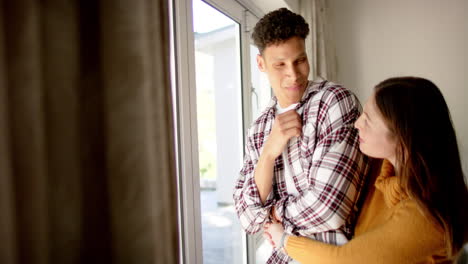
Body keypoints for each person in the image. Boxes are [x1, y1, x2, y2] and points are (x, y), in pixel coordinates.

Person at [264, 76, 468, 263]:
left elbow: (344, 260)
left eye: (368, 120)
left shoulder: (427, 217)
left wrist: (284, 241)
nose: (356, 123)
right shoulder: (381, 169)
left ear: (402, 140)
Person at [233, 8, 369, 263]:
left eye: (300, 60)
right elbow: (246, 218)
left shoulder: (334, 102)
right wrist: (268, 154)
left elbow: (330, 208)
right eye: (280, 65)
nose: (293, 75)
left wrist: (272, 211)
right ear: (261, 64)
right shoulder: (260, 128)